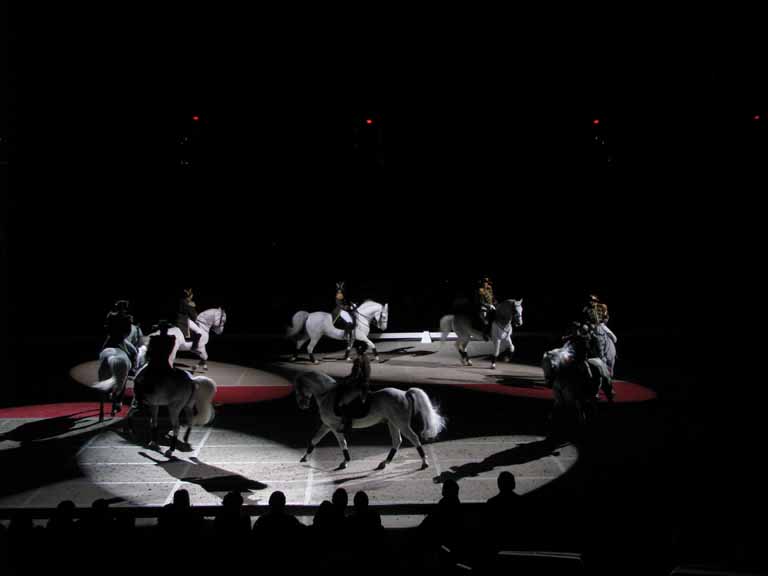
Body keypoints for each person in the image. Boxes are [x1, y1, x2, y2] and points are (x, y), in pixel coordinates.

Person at [338, 342, 372, 436]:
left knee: (342, 402)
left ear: (359, 349)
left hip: (360, 386)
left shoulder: (359, 359)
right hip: (366, 383)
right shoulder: (366, 357)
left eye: (356, 349)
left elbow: (355, 375)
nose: (355, 350)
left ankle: (347, 425)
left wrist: (344, 380)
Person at [102, 300, 138, 367]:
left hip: (111, 338)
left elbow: (106, 328)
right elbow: (128, 332)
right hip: (121, 340)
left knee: (103, 351)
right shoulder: (128, 318)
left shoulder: (110, 315)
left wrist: (111, 334)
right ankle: (132, 370)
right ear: (125, 308)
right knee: (134, 352)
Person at [176, 287, 203, 352]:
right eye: (191, 296)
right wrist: (196, 319)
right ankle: (194, 347)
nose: (192, 297)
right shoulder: (189, 302)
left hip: (176, 318)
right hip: (184, 319)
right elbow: (193, 314)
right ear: (189, 296)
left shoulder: (180, 300)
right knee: (199, 331)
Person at [332, 281, 357, 348]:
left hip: (343, 309)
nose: (343, 289)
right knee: (349, 320)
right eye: (343, 288)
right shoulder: (339, 293)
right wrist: (349, 307)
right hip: (340, 310)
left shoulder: (343, 294)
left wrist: (352, 304)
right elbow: (339, 304)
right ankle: (347, 336)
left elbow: (346, 301)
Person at [475, 276, 497, 341]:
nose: (486, 284)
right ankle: (484, 334)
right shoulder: (480, 290)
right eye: (484, 282)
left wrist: (495, 302)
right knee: (485, 321)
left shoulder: (490, 289)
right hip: (483, 307)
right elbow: (481, 301)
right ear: (482, 283)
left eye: (487, 282)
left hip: (491, 306)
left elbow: (492, 298)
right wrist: (489, 305)